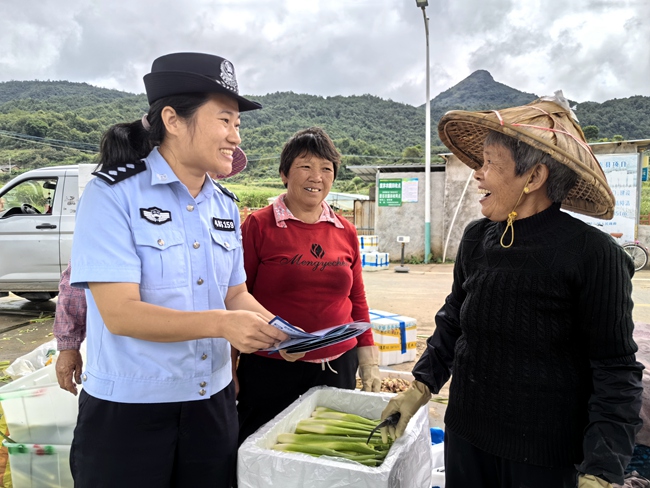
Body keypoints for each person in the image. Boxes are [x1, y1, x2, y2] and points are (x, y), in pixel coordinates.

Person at [381, 94, 644, 488]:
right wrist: (421, 386)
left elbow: (615, 370)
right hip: (467, 439)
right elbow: (454, 319)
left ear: (534, 178)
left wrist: (602, 470)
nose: (478, 174)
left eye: (489, 163)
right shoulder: (476, 238)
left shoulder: (593, 255)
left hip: (545, 459)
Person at [68, 52, 288, 488]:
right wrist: (225, 325)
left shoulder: (224, 205)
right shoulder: (112, 196)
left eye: (238, 125)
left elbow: (235, 294)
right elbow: (121, 313)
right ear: (172, 118)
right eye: (225, 120)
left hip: (213, 406)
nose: (235, 137)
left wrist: (281, 332)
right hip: (130, 413)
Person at [235, 127, 381, 445]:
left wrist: (368, 356)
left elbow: (356, 296)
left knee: (327, 453)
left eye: (326, 169)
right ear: (284, 173)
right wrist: (231, 366)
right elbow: (235, 296)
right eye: (305, 166)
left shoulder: (345, 231)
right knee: (263, 449)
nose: (316, 176)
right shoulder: (258, 226)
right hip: (270, 367)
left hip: (338, 365)